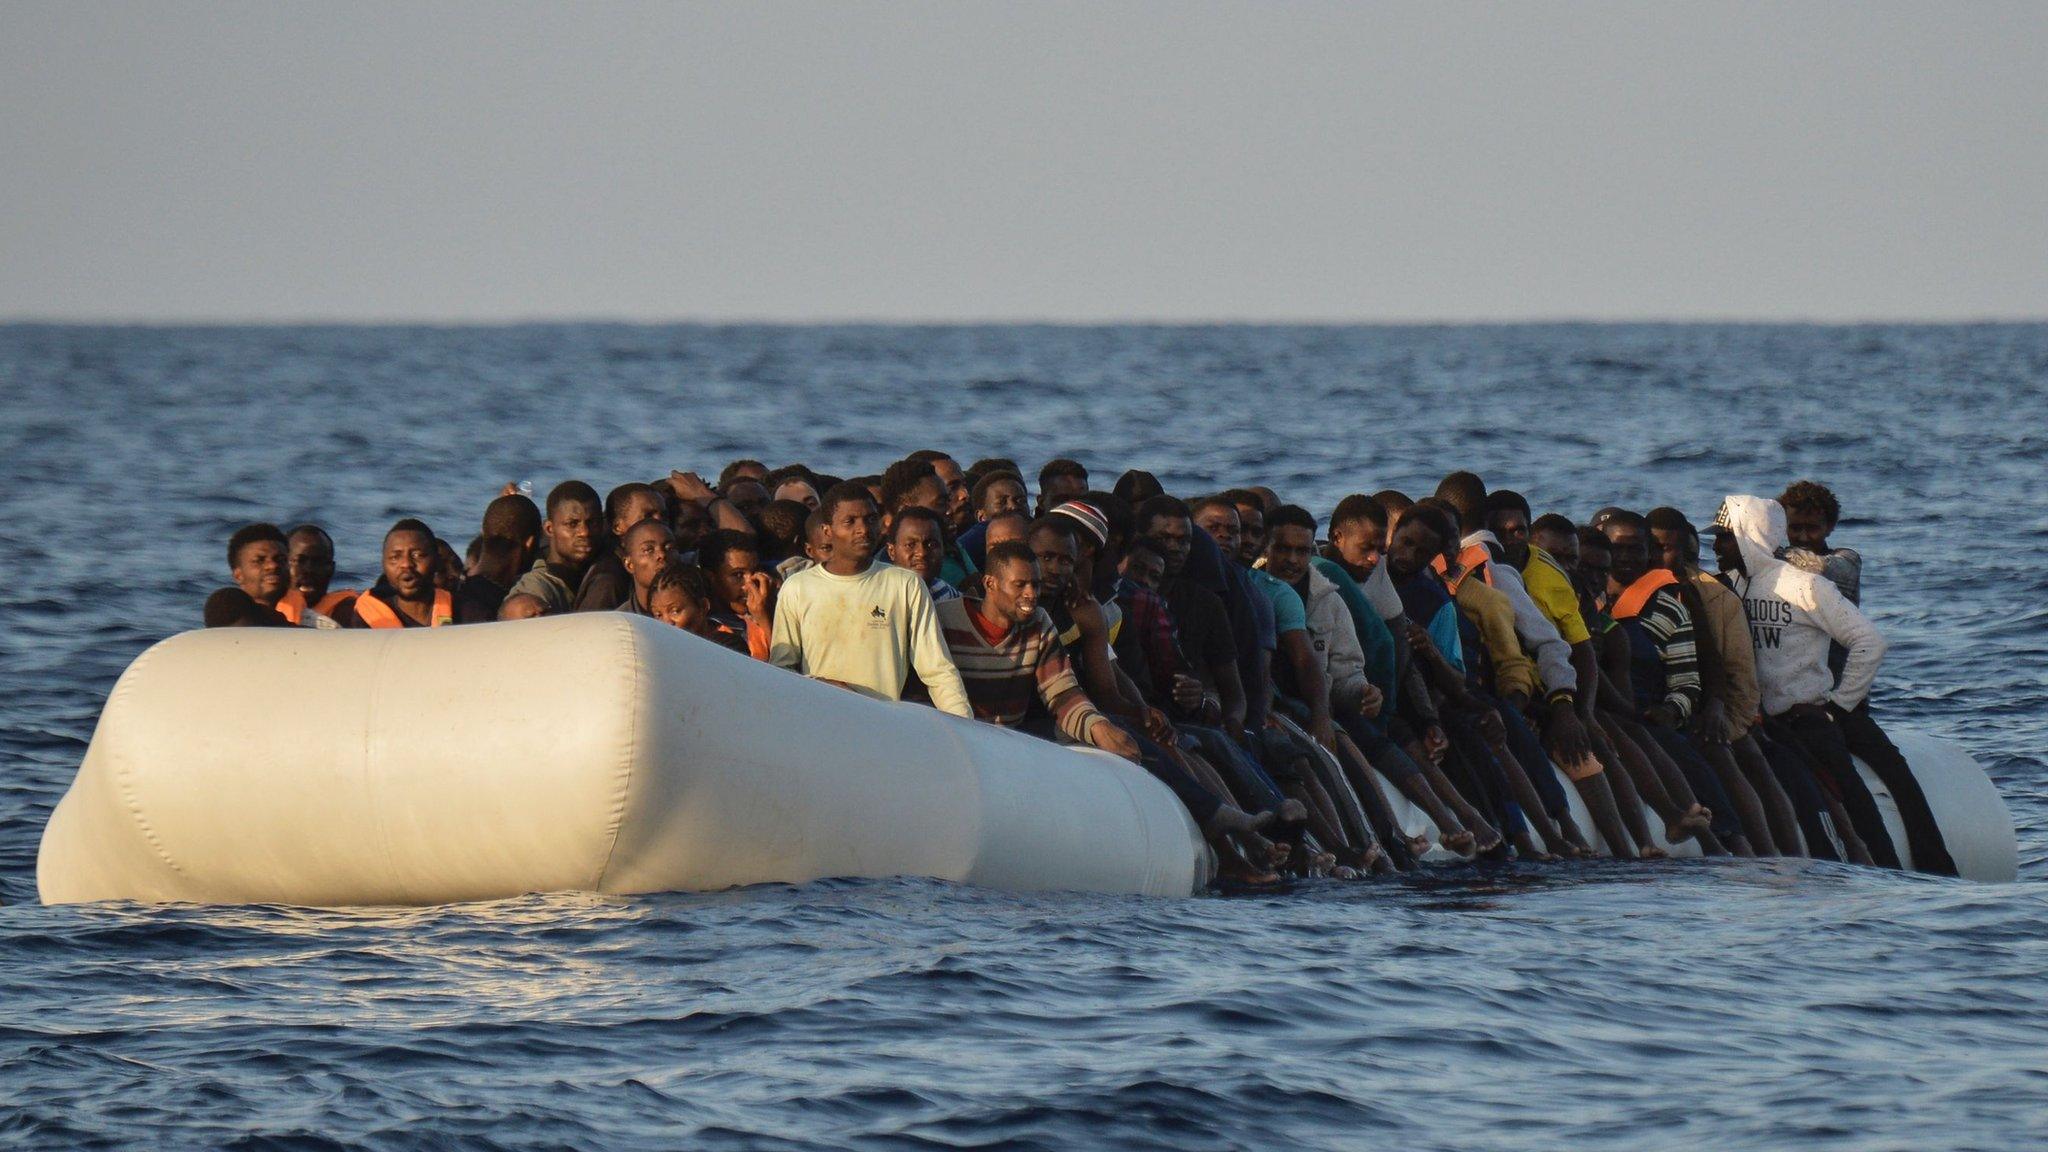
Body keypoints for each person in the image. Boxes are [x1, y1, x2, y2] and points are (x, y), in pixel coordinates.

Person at [1714, 494, 1954, 873]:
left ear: (1749, 534)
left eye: (1725, 537)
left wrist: (1838, 705)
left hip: (1811, 715)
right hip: (1761, 720)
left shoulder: (1806, 585)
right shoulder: (1726, 587)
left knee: (1860, 793)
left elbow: (1869, 642)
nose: (1715, 546)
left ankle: (1897, 872)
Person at [1601, 510, 1754, 855]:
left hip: (1654, 716)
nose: (1626, 558)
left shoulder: (1672, 606)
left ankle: (1728, 839)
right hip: (1607, 713)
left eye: (1636, 549)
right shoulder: (1586, 599)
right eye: (1617, 549)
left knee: (1688, 755)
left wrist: (1672, 710)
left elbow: (1689, 680)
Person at [768, 482, 972, 716]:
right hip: (817, 718)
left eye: (870, 519)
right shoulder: (798, 587)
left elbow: (937, 670)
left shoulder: (905, 584)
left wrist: (963, 728)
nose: (863, 529)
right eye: (850, 521)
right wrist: (821, 686)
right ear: (827, 531)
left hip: (881, 724)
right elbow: (781, 669)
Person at [343, 519, 490, 628]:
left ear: (437, 562)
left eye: (417, 555)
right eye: (395, 557)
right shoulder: (366, 617)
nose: (406, 564)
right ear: (383, 564)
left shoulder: (469, 613)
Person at [508, 481, 604, 614]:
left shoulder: (601, 569)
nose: (584, 532)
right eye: (572, 524)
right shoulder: (535, 590)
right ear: (549, 529)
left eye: (593, 523)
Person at [697, 529, 776, 660]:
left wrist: (765, 617)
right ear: (711, 578)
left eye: (755, 572)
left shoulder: (764, 611)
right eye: (738, 575)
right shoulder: (702, 626)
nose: (749, 585)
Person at [280, 524, 358, 624]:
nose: (308, 570)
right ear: (283, 565)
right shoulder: (262, 611)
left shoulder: (350, 613)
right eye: (300, 561)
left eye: (318, 562)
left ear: (331, 569)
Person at [886, 506, 962, 602]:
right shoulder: (878, 598)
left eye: (931, 544)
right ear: (891, 551)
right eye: (910, 545)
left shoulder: (947, 595)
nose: (922, 553)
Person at [225, 523, 293, 620]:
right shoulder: (229, 624)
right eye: (259, 560)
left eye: (280, 559)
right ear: (238, 576)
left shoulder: (309, 624)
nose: (273, 565)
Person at [613, 519, 674, 616]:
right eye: (648, 550)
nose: (661, 555)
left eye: (669, 547)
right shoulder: (620, 623)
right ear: (629, 564)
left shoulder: (698, 612)